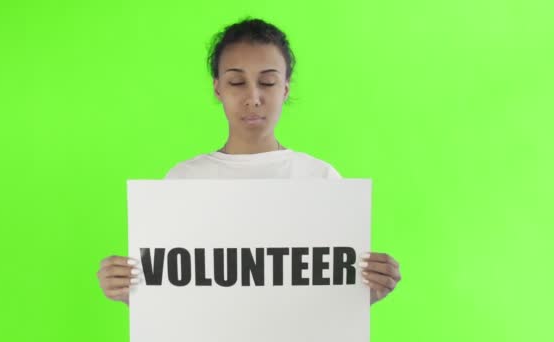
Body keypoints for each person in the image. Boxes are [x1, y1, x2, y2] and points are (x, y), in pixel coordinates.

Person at [96, 17, 401, 307]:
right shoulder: (184, 181)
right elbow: (174, 297)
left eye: (267, 82)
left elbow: (330, 299)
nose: (253, 97)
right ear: (218, 88)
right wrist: (128, 290)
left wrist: (370, 291)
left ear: (285, 89)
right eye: (237, 82)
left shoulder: (320, 179)